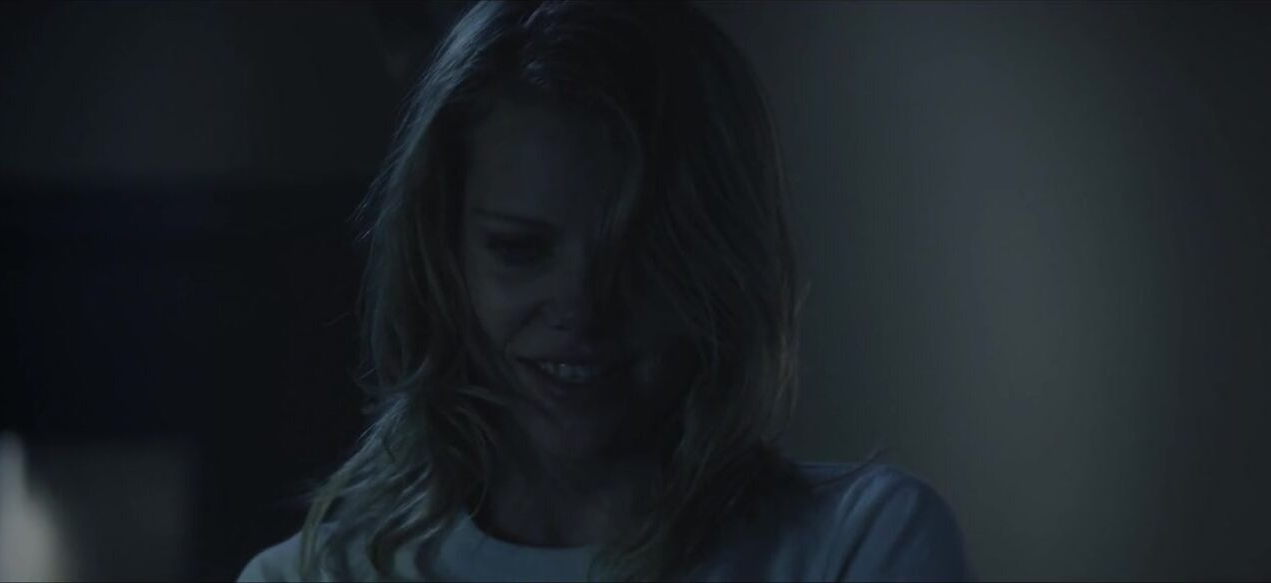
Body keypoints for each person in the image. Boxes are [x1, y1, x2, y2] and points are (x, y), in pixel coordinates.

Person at [239, 1, 972, 581]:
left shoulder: (859, 544)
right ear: (443, 257)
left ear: (717, 258)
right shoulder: (307, 576)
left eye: (641, 252)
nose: (583, 308)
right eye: (520, 251)